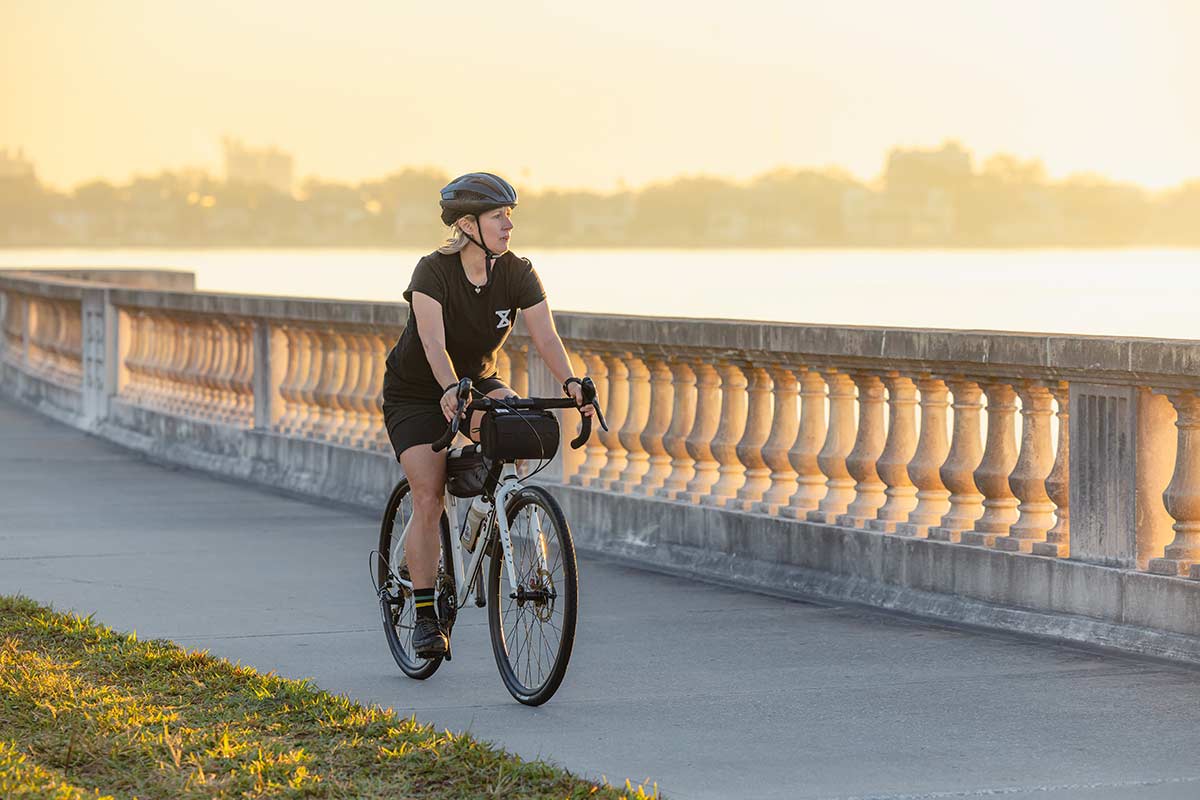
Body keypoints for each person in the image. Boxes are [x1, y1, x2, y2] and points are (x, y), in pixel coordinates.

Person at [381, 172, 593, 658]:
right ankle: (426, 615)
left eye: (510, 216)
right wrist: (447, 390)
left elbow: (546, 338)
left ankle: (497, 513)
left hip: (476, 380)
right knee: (430, 496)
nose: (508, 225)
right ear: (467, 224)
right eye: (499, 216)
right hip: (415, 393)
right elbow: (433, 344)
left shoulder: (517, 271)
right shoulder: (432, 272)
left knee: (519, 428)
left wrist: (571, 383)